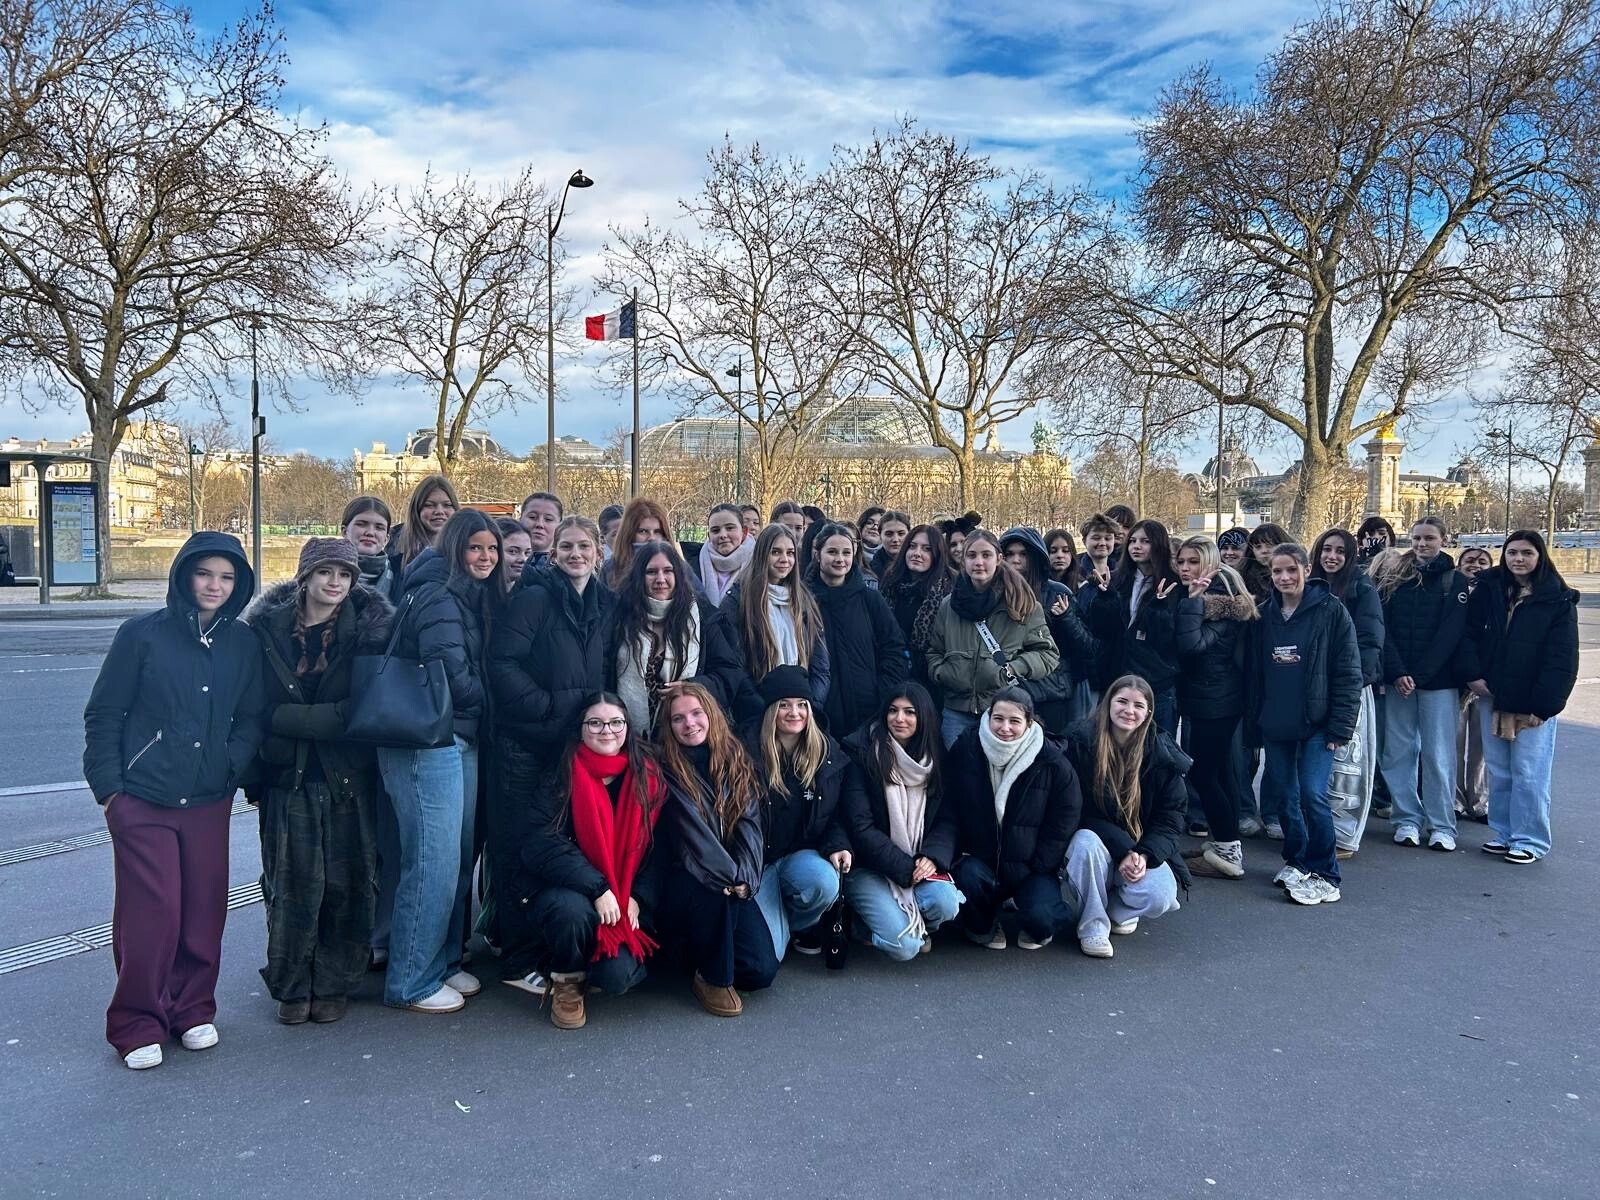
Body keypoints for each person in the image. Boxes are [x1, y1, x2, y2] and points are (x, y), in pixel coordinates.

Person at [83, 532, 265, 1069]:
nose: (214, 586)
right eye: (205, 573)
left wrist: (230, 766)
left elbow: (252, 716)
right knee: (152, 911)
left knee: (203, 909)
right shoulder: (142, 635)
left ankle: (191, 1008)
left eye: (227, 577)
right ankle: (136, 1021)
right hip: (144, 797)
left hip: (208, 797)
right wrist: (110, 791)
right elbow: (105, 714)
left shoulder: (243, 642)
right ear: (184, 575)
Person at [245, 537, 392, 1026]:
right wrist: (285, 725)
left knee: (347, 883)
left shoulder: (369, 630)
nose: (335, 583)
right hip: (286, 776)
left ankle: (333, 982)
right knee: (291, 884)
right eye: (326, 572)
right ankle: (291, 984)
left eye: (345, 575)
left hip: (347, 773)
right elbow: (252, 705)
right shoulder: (266, 630)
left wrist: (285, 718)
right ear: (305, 576)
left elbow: (361, 710)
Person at [377, 509, 500, 1014]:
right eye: (475, 547)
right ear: (454, 547)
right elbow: (451, 673)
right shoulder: (438, 594)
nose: (486, 557)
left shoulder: (463, 592)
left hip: (456, 736)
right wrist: (499, 697)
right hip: (426, 742)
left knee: (457, 856)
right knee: (433, 862)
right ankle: (412, 980)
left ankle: (445, 961)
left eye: (492, 548)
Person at [497, 694, 667, 1028]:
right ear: (581, 729)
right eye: (595, 723)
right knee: (571, 914)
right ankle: (567, 980)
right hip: (569, 889)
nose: (607, 731)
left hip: (625, 895)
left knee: (616, 977)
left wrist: (639, 897)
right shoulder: (562, 772)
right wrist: (597, 887)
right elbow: (540, 842)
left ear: (627, 726)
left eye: (616, 722)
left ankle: (591, 961)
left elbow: (660, 850)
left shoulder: (648, 775)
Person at [487, 516, 613, 960]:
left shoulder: (604, 603)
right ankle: (516, 954)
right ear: (554, 553)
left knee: (558, 842)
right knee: (516, 844)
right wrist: (546, 706)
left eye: (584, 546)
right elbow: (502, 662)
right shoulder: (535, 598)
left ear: (597, 553)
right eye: (567, 547)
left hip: (572, 745)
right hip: (525, 743)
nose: (576, 554)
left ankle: (552, 942)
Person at [1243, 543, 1363, 907]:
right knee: (1284, 795)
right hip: (1277, 721)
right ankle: (1297, 860)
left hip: (1318, 723)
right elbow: (1254, 673)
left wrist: (1340, 727)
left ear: (1307, 570)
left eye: (1291, 570)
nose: (1284, 578)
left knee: (1313, 794)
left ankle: (1326, 874)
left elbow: (1348, 672)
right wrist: (1254, 723)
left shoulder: (1331, 610)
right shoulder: (1264, 614)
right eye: (1277, 571)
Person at [655, 685, 779, 1016]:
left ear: (712, 715)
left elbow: (750, 826)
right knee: (716, 894)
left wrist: (746, 879)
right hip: (685, 879)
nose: (689, 724)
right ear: (669, 726)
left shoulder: (736, 758)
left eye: (697, 713)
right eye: (678, 718)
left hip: (731, 879)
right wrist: (729, 878)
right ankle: (712, 979)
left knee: (760, 970)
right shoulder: (665, 768)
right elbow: (692, 834)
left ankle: (695, 957)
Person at [1461, 531, 1578, 865]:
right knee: (1499, 770)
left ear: (1540, 556)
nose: (1518, 559)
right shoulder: (1491, 589)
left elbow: (1562, 658)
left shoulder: (1558, 599)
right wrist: (1473, 675)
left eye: (1526, 553)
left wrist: (1545, 706)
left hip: (1532, 700)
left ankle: (1530, 839)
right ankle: (1504, 833)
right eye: (1512, 552)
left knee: (1529, 772)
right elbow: (1469, 635)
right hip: (1493, 693)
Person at [1060, 676, 1187, 957]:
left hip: (1139, 847)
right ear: (1108, 704)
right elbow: (1072, 810)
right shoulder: (1080, 742)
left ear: (1149, 712)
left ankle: (1114, 911)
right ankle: (1092, 926)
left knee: (1162, 896)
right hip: (1096, 843)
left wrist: (1144, 855)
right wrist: (1124, 848)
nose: (1129, 711)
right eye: (1122, 702)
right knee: (1084, 842)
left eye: (1138, 705)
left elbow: (1171, 819)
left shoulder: (1162, 754)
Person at [944, 688, 1080, 951]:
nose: (1004, 728)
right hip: (980, 861)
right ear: (988, 716)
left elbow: (1065, 818)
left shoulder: (1051, 760)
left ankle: (1029, 907)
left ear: (1029, 722)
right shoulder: (967, 748)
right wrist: (960, 852)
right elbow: (950, 806)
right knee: (968, 882)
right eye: (998, 718)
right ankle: (985, 924)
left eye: (1014, 721)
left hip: (1031, 866)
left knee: (1042, 921)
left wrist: (1039, 864)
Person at [841, 683, 962, 961]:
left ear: (924, 717)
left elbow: (948, 819)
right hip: (869, 867)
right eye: (893, 711)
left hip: (915, 862)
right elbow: (860, 828)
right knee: (905, 948)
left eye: (910, 712)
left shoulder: (936, 758)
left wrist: (932, 856)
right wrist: (906, 869)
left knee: (946, 903)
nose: (899, 719)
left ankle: (915, 922)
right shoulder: (861, 752)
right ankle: (862, 924)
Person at [1373, 516, 1471, 851]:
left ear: (1443, 539)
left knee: (1438, 755)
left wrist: (1419, 675)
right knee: (1397, 752)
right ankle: (1406, 819)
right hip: (1400, 679)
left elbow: (1451, 633)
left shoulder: (1454, 580)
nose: (1421, 544)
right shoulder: (1395, 576)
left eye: (1429, 538)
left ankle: (1442, 824)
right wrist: (1398, 671)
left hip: (1437, 681)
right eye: (1416, 538)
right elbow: (1384, 627)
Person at [744, 668, 854, 958]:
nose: (795, 713)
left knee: (824, 882)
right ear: (771, 710)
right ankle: (776, 926)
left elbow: (835, 814)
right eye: (784, 705)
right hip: (758, 864)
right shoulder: (745, 750)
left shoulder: (827, 752)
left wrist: (838, 845)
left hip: (799, 857)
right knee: (770, 956)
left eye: (802, 704)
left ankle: (796, 924)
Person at [1172, 536, 1257, 877]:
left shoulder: (1219, 602)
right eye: (1181, 561)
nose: (1185, 568)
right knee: (1220, 773)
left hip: (1217, 699)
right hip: (1211, 697)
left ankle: (1228, 851)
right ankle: (1225, 844)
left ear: (1209, 563)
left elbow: (1192, 645)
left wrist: (1192, 603)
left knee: (1204, 774)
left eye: (1193, 562)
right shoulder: (1209, 595)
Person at [928, 529, 1058, 747]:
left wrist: (1012, 669)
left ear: (999, 559)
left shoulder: (1022, 603)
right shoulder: (948, 605)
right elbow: (934, 651)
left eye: (986, 555)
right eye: (972, 555)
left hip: (1003, 711)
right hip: (956, 710)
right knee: (958, 767)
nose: (979, 562)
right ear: (963, 560)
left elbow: (1047, 654)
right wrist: (943, 673)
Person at [607, 539, 746, 735]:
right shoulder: (618, 616)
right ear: (639, 576)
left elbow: (729, 672)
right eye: (651, 572)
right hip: (627, 736)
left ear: (678, 575)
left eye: (668, 571)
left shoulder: (702, 616)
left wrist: (693, 687)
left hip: (687, 734)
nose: (660, 579)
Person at [1309, 528, 1386, 856]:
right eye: (1326, 549)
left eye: (1340, 551)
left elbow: (1370, 639)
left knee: (1347, 761)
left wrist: (1353, 682)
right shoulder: (1309, 585)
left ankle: (1343, 834)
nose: (1332, 556)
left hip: (1348, 687)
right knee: (1316, 762)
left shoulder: (1361, 587)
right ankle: (1316, 829)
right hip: (1313, 686)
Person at [806, 522, 908, 738]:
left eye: (846, 552)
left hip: (867, 710)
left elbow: (893, 647)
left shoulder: (870, 599)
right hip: (818, 710)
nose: (840, 559)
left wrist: (882, 692)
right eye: (832, 552)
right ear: (817, 555)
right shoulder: (803, 600)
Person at [1081, 519, 1182, 734]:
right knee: (1112, 743)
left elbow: (1166, 638)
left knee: (1158, 745)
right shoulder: (1117, 578)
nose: (1136, 546)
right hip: (1117, 676)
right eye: (1133, 541)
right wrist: (1105, 600)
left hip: (1155, 682)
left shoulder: (1173, 583)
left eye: (1145, 541)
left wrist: (1159, 606)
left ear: (1158, 544)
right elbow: (1103, 630)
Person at [719, 522, 829, 710]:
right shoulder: (739, 601)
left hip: (801, 710)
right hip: (758, 708)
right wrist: (762, 709)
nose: (784, 559)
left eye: (790, 553)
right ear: (762, 555)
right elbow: (735, 665)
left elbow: (821, 666)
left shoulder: (804, 600)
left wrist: (811, 706)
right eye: (776, 552)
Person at [1000, 526, 1097, 732]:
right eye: (1009, 554)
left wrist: (1065, 618)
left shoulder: (1057, 591)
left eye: (1023, 554)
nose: (1015, 560)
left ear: (1035, 557)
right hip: (1009, 688)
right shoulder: (995, 592)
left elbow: (1086, 646)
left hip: (1050, 691)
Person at [878, 523, 956, 695]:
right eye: (912, 546)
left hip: (932, 681)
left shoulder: (949, 589)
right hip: (892, 675)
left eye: (927, 549)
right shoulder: (890, 584)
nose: (917, 553)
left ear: (937, 554)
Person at [1454, 546, 1494, 822]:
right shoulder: (1452, 592)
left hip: (1485, 681)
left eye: (1482, 562)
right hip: (1456, 680)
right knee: (1454, 744)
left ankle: (1479, 801)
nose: (1475, 565)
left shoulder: (1495, 595)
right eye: (1469, 561)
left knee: (1482, 746)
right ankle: (1455, 799)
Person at [689, 503, 756, 607]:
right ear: (709, 535)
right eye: (716, 530)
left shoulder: (759, 563)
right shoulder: (691, 566)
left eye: (730, 528)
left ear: (744, 532)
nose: (723, 535)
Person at [604, 497, 677, 590]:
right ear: (629, 534)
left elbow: (693, 595)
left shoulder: (677, 565)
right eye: (643, 531)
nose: (652, 538)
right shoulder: (611, 569)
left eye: (657, 532)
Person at [390, 474, 458, 574]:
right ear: (416, 509)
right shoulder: (394, 547)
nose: (439, 511)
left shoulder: (469, 548)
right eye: (429, 505)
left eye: (447, 505)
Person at [341, 495, 399, 602]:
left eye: (379, 527)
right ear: (345, 531)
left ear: (386, 539)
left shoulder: (400, 577)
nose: (370, 533)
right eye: (361, 524)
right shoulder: (320, 571)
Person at [1241, 522, 1291, 603]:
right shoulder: (1242, 580)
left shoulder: (1299, 576)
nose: (1264, 551)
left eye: (1270, 545)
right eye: (1258, 547)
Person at [518, 491, 563, 570]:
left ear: (560, 526)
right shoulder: (500, 564)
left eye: (548, 519)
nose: (539, 524)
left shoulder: (568, 570)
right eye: (532, 517)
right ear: (520, 519)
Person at [1077, 513, 1122, 581]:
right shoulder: (1074, 571)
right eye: (1096, 538)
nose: (1102, 543)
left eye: (1107, 538)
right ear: (1084, 541)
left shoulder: (1122, 571)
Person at [496, 517, 533, 594]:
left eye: (527, 553)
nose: (523, 559)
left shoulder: (534, 594)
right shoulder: (473, 594)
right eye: (513, 551)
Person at [871, 509, 913, 578]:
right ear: (880, 536)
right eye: (889, 534)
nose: (895, 539)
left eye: (901, 534)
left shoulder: (920, 566)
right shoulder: (870, 572)